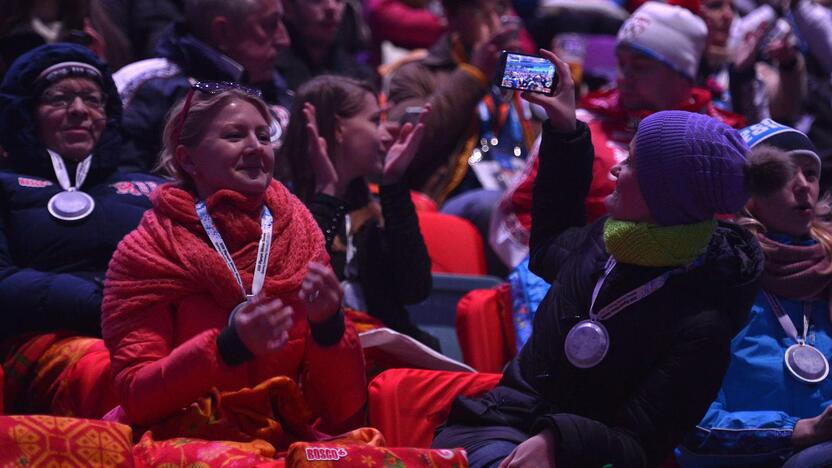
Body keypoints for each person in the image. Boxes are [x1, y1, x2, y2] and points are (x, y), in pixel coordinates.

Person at [432, 49, 774, 468]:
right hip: (500, 421)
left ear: (661, 195)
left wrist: (557, 440)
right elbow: (545, 249)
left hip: (581, 456)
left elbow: (638, 444)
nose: (615, 170)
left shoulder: (704, 320)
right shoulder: (606, 240)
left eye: (631, 163)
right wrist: (564, 130)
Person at [101, 83, 366, 436]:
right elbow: (137, 397)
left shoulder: (301, 238)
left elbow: (340, 408)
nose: (256, 147)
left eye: (263, 135)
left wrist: (329, 328)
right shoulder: (149, 252)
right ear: (187, 159)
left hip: (284, 438)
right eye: (235, 135)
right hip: (184, 437)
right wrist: (226, 349)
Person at [490, 1, 746, 270]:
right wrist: (555, 282)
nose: (624, 77)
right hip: (579, 285)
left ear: (682, 73)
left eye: (640, 66)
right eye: (621, 64)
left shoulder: (723, 144)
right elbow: (515, 214)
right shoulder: (578, 125)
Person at [0, 43, 163, 417]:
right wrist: (99, 300)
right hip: (48, 340)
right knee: (115, 370)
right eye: (59, 99)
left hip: (146, 332)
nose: (79, 111)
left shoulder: (152, 189)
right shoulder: (5, 187)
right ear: (27, 114)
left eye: (92, 99)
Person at [678, 120, 832, 467]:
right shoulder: (714, 278)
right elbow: (689, 425)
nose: (803, 186)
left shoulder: (828, 275)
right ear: (743, 191)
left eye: (810, 172)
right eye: (784, 174)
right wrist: (801, 431)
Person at [279, 75, 437, 349]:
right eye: (375, 121)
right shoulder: (283, 208)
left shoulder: (370, 207)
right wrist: (328, 192)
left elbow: (415, 289)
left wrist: (394, 185)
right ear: (339, 129)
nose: (389, 132)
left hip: (387, 353)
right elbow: (299, 289)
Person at [113, 0, 291, 173]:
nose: (284, 40)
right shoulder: (148, 85)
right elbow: (120, 187)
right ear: (223, 31)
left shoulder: (283, 90)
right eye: (270, 25)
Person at [276, 0, 375, 91]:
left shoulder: (360, 75)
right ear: (287, 7)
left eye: (338, 0)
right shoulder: (269, 72)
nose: (332, 7)